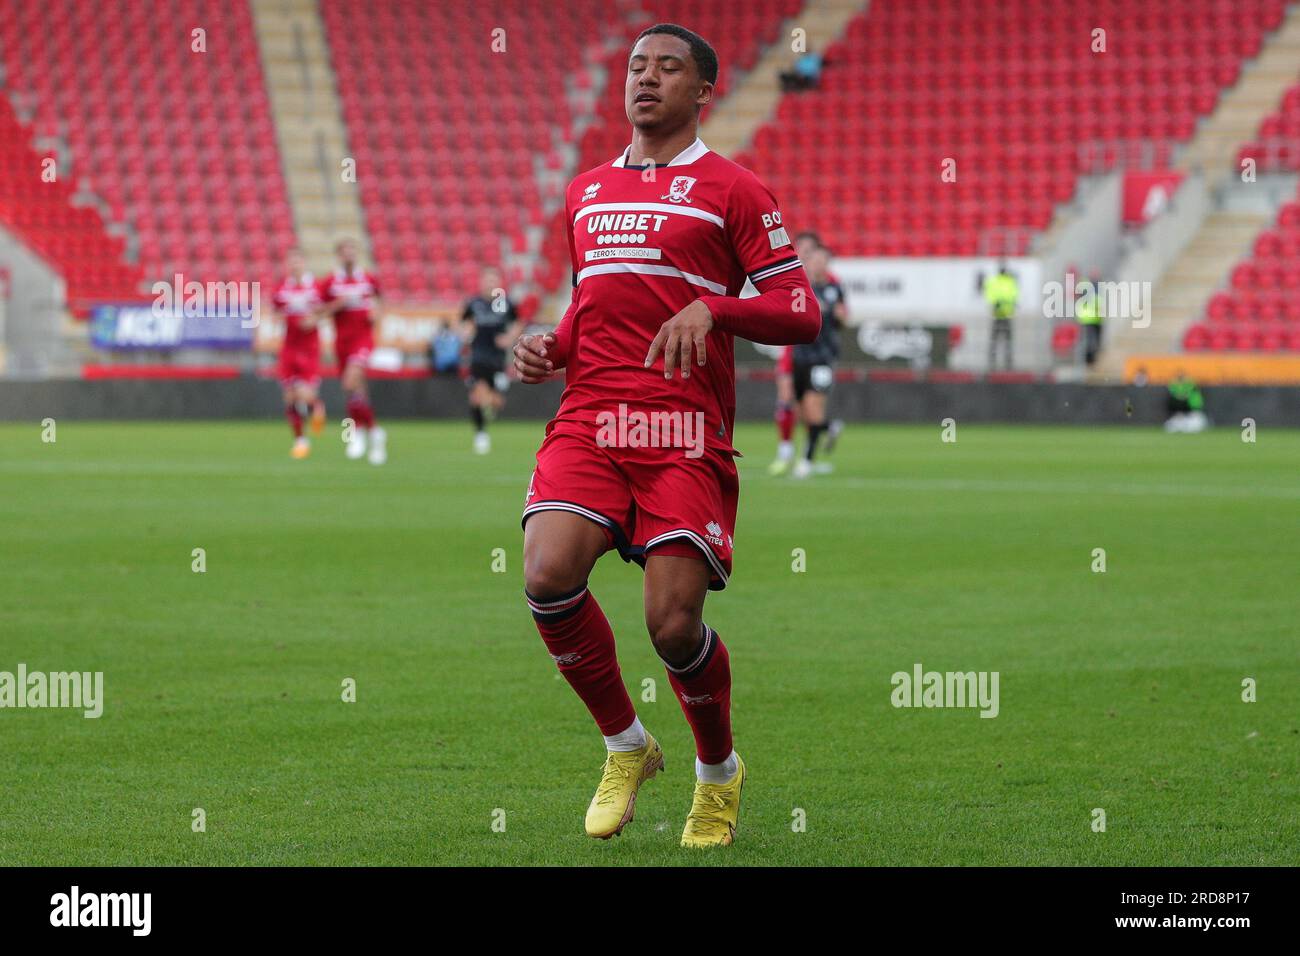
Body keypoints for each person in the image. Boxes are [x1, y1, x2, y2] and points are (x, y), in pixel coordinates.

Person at [511, 23, 818, 848]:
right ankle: (626, 745)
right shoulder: (585, 194)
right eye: (637, 66)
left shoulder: (735, 189)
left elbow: (800, 309)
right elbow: (593, 305)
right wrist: (551, 344)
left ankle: (717, 773)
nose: (646, 79)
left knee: (673, 627)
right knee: (546, 576)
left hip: (683, 430)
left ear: (702, 91)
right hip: (591, 419)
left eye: (668, 67)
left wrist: (715, 305)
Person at [319, 239, 386, 465]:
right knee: (356, 392)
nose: (349, 256)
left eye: (352, 252)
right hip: (342, 343)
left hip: (363, 340)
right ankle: (372, 433)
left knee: (350, 382)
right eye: (344, 252)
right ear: (339, 256)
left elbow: (380, 300)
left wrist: (377, 313)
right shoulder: (330, 282)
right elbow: (318, 310)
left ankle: (359, 433)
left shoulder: (367, 278)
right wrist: (336, 305)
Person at [768, 231, 822, 476]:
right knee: (785, 395)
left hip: (815, 353)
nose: (804, 254)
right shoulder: (788, 275)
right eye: (800, 249)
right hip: (791, 348)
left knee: (807, 408)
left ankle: (807, 454)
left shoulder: (825, 281)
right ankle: (785, 451)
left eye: (809, 250)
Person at [792, 245, 847, 478]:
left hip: (823, 358)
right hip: (800, 355)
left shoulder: (834, 290)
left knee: (814, 407)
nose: (818, 265)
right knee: (802, 412)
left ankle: (806, 460)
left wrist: (833, 312)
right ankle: (830, 427)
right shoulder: (800, 289)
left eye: (822, 261)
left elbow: (844, 319)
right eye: (814, 261)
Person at [460, 266, 522, 454]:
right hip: (478, 354)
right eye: (487, 280)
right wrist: (466, 333)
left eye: (493, 280)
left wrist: (509, 338)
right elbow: (464, 322)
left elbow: (518, 322)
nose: (490, 283)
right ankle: (480, 434)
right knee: (477, 394)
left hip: (497, 358)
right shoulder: (473, 303)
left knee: (496, 401)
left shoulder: (506, 303)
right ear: (481, 282)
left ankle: (491, 407)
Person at [271, 249, 326, 458]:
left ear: (304, 263)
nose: (295, 266)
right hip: (289, 346)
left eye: (298, 262)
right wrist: (279, 317)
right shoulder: (282, 288)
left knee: (304, 394)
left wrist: (314, 318)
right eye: (291, 262)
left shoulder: (316, 287)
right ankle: (300, 441)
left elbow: (325, 309)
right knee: (289, 397)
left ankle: (316, 406)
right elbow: (276, 310)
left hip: (309, 347)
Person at [983, 261, 1018, 371]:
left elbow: (1014, 296)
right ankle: (993, 360)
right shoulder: (1003, 282)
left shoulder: (1005, 282)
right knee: (996, 339)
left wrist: (999, 302)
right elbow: (990, 295)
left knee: (1006, 339)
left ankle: (1007, 360)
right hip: (1000, 314)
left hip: (1004, 314)